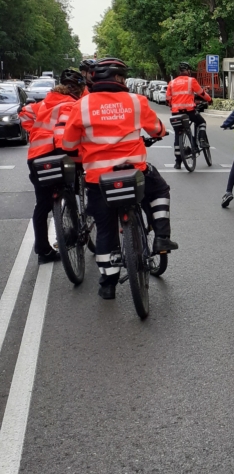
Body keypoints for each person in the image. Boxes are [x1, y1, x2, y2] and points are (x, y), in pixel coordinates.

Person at [61, 57, 177, 299]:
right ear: (118, 78)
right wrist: (158, 132)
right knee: (159, 190)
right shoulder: (136, 101)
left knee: (104, 229)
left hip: (97, 179)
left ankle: (108, 283)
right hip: (134, 172)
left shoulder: (81, 106)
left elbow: (69, 144)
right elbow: (157, 129)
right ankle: (162, 238)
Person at [20, 68, 86, 263]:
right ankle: (74, 231)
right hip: (59, 154)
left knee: (42, 204)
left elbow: (24, 114)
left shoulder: (43, 103)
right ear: (78, 89)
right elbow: (63, 135)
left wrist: (36, 131)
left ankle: (43, 250)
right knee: (71, 187)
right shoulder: (73, 105)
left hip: (37, 157)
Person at [165, 61, 211, 169]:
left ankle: (178, 162)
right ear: (188, 71)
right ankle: (202, 140)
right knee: (201, 122)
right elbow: (201, 93)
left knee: (178, 133)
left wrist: (172, 106)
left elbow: (167, 99)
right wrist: (210, 99)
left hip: (176, 112)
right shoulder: (191, 81)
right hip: (189, 111)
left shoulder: (171, 83)